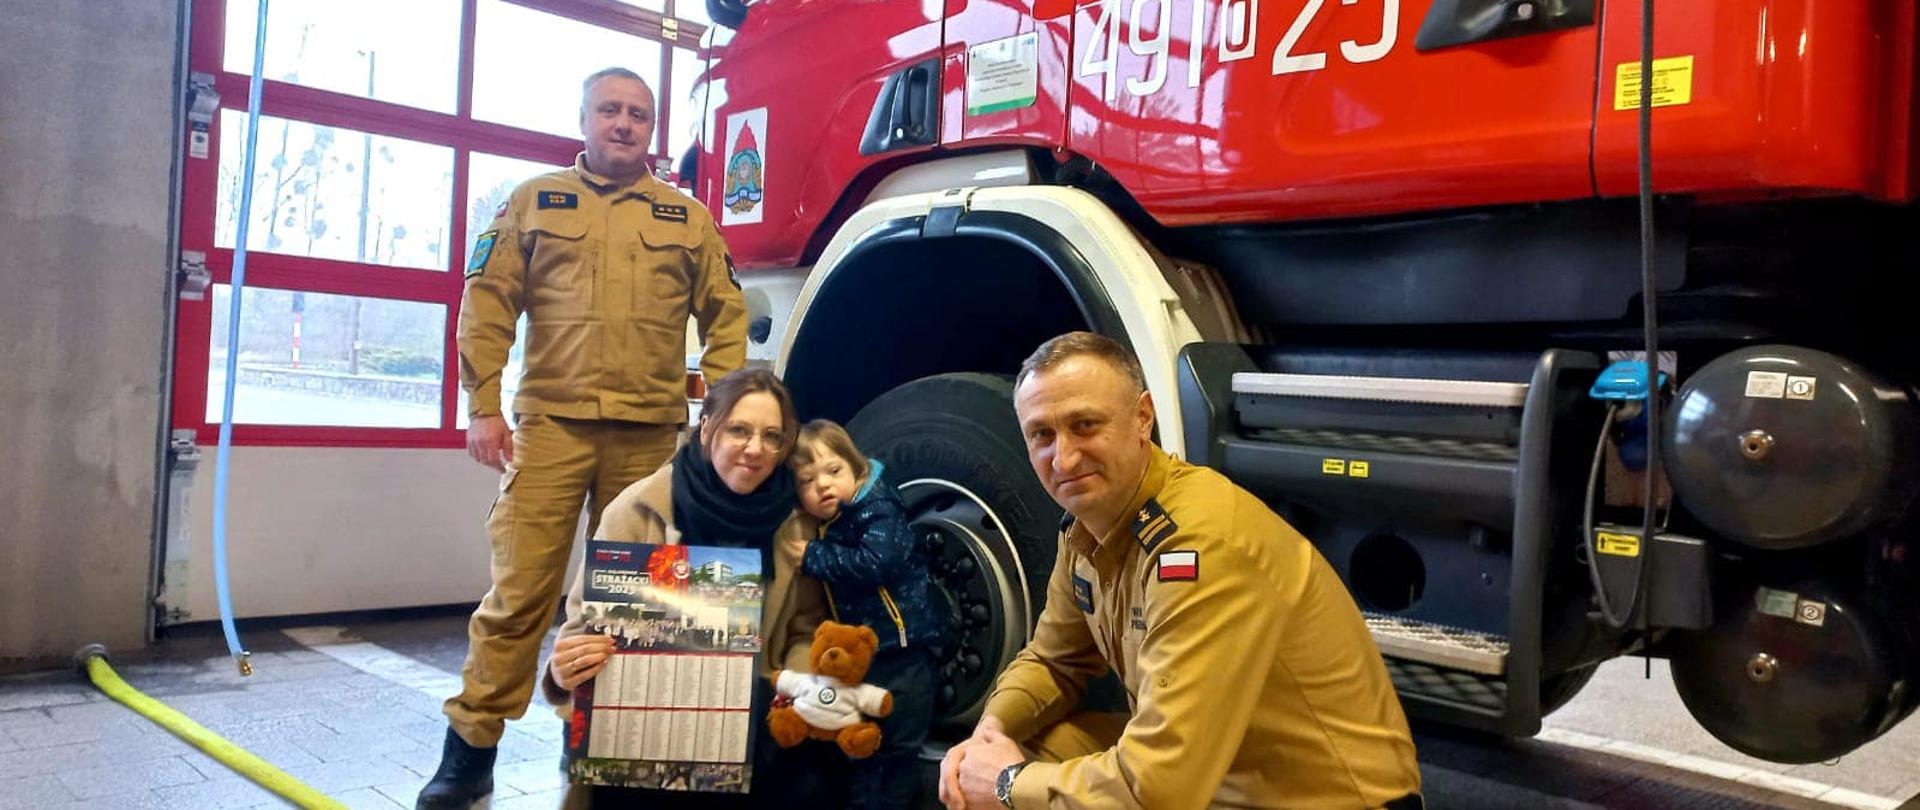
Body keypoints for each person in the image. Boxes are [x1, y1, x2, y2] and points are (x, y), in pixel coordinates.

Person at [419, 65, 748, 810]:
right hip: (550, 431)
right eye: (610, 110)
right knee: (519, 597)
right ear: (585, 118)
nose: (624, 123)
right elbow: (488, 301)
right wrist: (481, 405)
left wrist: (718, 421)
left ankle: (616, 757)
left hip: (651, 441)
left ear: (651, 127)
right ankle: (469, 753)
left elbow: (728, 315)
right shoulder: (534, 202)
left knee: (644, 605)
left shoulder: (685, 217)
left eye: (638, 113)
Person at [939, 332, 1423, 810]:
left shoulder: (1200, 545)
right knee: (1033, 750)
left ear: (1142, 418)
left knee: (1020, 788)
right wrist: (989, 736)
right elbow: (1053, 661)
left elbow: (1158, 791)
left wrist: (1006, 783)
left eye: (1085, 425)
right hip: (1219, 773)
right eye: (1041, 435)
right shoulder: (1090, 529)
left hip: (1317, 797)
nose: (1063, 458)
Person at [541, 368, 849, 809]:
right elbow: (581, 632)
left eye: (772, 436)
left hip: (756, 718)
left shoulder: (796, 525)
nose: (755, 449)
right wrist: (562, 671)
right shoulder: (636, 510)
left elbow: (807, 629)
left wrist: (788, 692)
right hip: (648, 726)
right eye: (739, 430)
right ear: (707, 428)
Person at [789, 419, 947, 809]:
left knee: (898, 748)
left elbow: (878, 563)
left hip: (904, 652)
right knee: (863, 746)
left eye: (833, 471)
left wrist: (813, 556)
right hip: (869, 656)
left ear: (856, 467)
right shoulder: (837, 518)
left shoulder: (877, 506)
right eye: (808, 481)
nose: (823, 485)